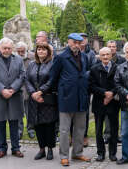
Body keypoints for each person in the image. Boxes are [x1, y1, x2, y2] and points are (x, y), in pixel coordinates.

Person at [48, 33, 91, 166]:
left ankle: (77, 153)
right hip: (66, 97)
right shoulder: (61, 57)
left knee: (80, 128)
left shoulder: (84, 56)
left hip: (81, 97)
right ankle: (64, 155)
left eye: (79, 43)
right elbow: (53, 77)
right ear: (68, 42)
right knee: (65, 130)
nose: (77, 45)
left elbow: (86, 74)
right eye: (74, 42)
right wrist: (61, 91)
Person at [0, 37, 25, 159]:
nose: (7, 50)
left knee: (14, 123)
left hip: (15, 96)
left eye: (9, 48)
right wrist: (2, 89)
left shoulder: (18, 60)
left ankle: (16, 148)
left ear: (12, 48)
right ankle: (2, 148)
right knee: (0, 124)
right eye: (4, 48)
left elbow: (22, 76)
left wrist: (13, 89)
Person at [25, 42, 58, 160]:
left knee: (49, 125)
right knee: (38, 125)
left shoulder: (52, 64)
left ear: (48, 52)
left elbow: (53, 80)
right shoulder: (32, 64)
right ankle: (41, 149)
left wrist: (41, 91)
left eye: (44, 50)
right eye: (39, 49)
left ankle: (50, 149)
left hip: (47, 99)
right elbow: (27, 79)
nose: (41, 52)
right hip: (34, 100)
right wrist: (33, 93)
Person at [89, 47, 119, 162]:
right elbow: (91, 86)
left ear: (111, 55)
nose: (105, 57)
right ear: (99, 56)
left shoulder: (117, 68)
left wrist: (111, 94)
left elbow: (120, 83)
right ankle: (100, 153)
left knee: (113, 129)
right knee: (98, 130)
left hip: (113, 103)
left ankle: (112, 153)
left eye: (107, 54)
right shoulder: (94, 69)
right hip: (99, 103)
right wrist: (104, 93)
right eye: (103, 55)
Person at [104, 40, 125, 144]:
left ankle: (117, 135)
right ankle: (108, 135)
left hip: (119, 91)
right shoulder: (102, 58)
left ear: (116, 48)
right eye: (109, 46)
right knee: (108, 114)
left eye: (113, 46)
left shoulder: (121, 60)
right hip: (107, 92)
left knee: (119, 114)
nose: (112, 48)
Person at [15, 42, 35, 139]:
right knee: (19, 112)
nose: (20, 53)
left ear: (26, 50)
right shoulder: (13, 58)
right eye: (18, 51)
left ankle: (30, 129)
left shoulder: (32, 57)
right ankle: (19, 130)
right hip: (18, 89)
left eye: (22, 51)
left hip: (29, 88)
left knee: (30, 112)